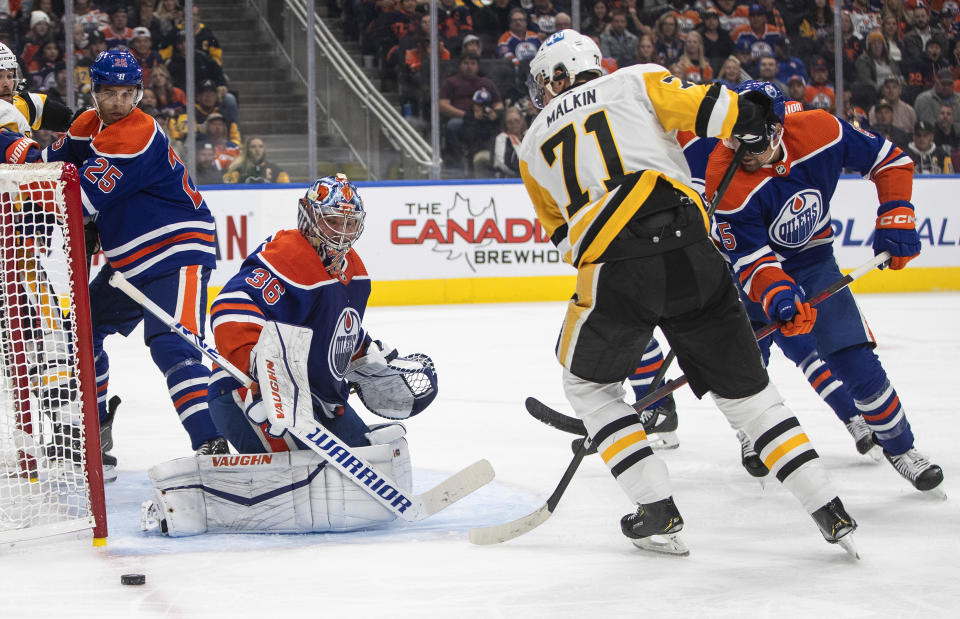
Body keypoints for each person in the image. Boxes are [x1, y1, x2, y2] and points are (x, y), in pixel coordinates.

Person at [518, 30, 858, 556]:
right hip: (694, 249)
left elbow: (568, 240)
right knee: (750, 396)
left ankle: (657, 509)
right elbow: (724, 111)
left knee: (588, 388)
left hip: (615, 268)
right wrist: (755, 121)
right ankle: (829, 508)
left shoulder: (530, 142)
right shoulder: (636, 80)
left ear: (555, 78)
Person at [141, 173, 440, 536]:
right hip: (248, 397)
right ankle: (192, 499)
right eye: (333, 220)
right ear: (309, 216)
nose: (341, 232)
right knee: (312, 478)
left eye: (349, 223)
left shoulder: (356, 272)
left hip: (317, 403)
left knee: (366, 468)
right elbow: (231, 310)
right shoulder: (288, 255)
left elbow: (337, 329)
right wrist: (260, 374)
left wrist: (367, 357)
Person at [706, 81, 944, 495]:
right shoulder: (722, 175)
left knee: (856, 361)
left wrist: (896, 213)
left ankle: (901, 447)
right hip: (744, 276)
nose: (741, 156)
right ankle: (750, 431)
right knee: (746, 367)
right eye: (734, 143)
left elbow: (890, 160)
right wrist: (780, 296)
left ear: (778, 129)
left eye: (752, 145)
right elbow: (750, 260)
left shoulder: (820, 130)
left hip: (814, 262)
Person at [41, 50, 228, 481]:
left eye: (128, 93)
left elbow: (76, 202)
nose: (120, 103)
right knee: (83, 333)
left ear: (139, 93)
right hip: (129, 263)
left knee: (171, 346)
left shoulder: (137, 135)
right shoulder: (86, 126)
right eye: (110, 93)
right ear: (95, 92)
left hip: (175, 252)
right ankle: (97, 435)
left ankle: (212, 447)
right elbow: (47, 167)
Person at [0, 43, 73, 135]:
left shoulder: (24, 104)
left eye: (10, 76)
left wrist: (83, 119)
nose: (6, 84)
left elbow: (70, 121)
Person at [223, 136, 290, 184]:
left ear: (264, 150)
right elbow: (228, 191)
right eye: (253, 147)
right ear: (247, 150)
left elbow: (285, 190)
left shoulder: (276, 170)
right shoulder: (238, 169)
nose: (257, 150)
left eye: (261, 146)